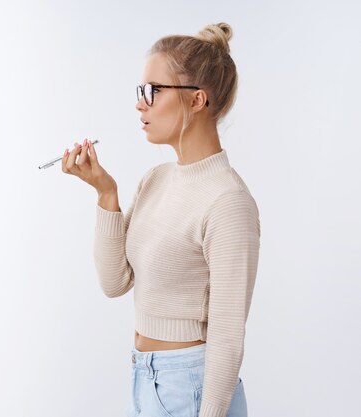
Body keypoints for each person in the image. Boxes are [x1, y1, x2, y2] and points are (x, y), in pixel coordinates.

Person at [61, 22, 260, 417]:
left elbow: (227, 336)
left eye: (153, 90)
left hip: (193, 389)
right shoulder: (156, 180)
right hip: (146, 378)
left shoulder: (228, 201)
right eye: (141, 91)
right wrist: (106, 194)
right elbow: (114, 282)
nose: (141, 103)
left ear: (197, 100)